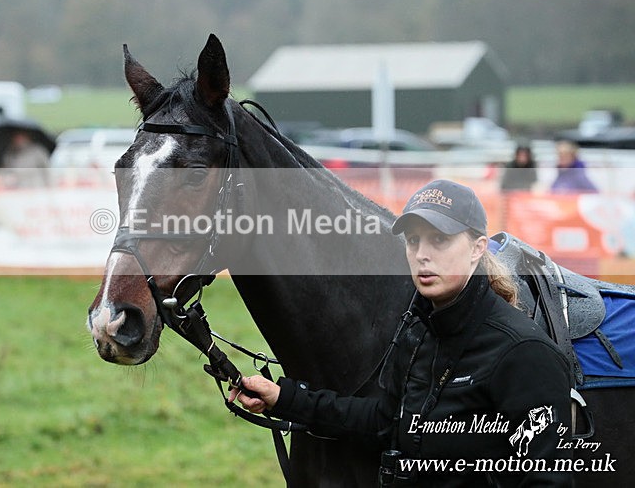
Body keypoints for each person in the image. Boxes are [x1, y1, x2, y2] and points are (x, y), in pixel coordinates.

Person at [230, 179, 572, 487]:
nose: (422, 255)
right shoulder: (417, 333)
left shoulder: (522, 352)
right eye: (413, 241)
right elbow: (383, 421)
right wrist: (284, 399)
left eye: (439, 239)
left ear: (477, 248)